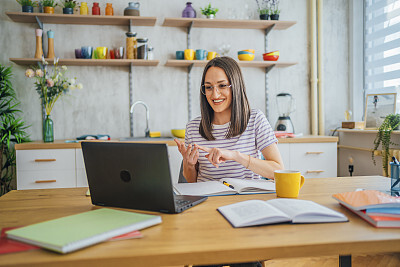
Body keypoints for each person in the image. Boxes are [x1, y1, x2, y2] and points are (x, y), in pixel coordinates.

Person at [174, 56, 284, 184]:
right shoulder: (193, 128)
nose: (214, 95)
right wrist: (189, 165)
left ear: (236, 86)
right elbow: (191, 182)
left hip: (246, 199)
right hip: (208, 200)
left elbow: (278, 171)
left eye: (222, 86)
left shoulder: (255, 120)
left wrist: (236, 156)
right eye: (209, 87)